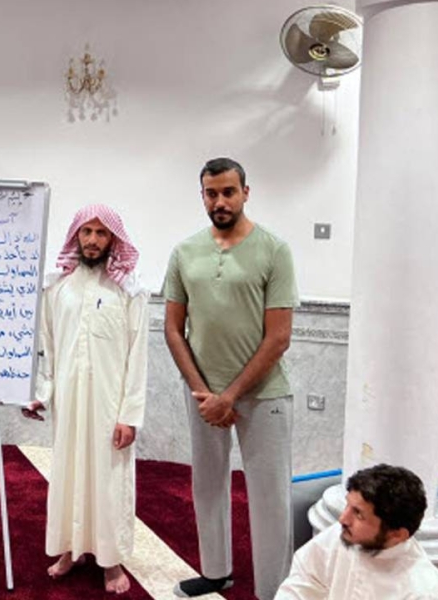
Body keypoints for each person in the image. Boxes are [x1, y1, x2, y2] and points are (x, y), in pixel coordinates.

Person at [164, 157, 298, 599]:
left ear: (245, 192)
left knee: (269, 496)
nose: (219, 201)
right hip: (203, 395)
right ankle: (216, 571)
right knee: (207, 484)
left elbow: (279, 338)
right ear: (202, 195)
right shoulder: (184, 252)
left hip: (264, 395)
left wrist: (231, 396)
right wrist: (203, 392)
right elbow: (173, 329)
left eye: (228, 192)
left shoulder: (274, 250)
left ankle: (273, 591)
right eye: (211, 193)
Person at [22, 204, 148, 595]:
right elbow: (48, 348)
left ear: (113, 239)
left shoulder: (129, 291)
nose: (93, 240)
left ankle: (111, 561)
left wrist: (130, 415)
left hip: (110, 408)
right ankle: (69, 549)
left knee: (108, 482)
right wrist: (41, 394)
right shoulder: (57, 288)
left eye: (101, 233)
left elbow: (138, 356)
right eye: (86, 232)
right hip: (70, 404)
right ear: (76, 236)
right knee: (67, 475)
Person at [276, 464, 438, 599]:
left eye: (359, 514)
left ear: (397, 534)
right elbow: (305, 580)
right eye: (347, 505)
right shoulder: (344, 536)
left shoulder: (424, 592)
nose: (343, 519)